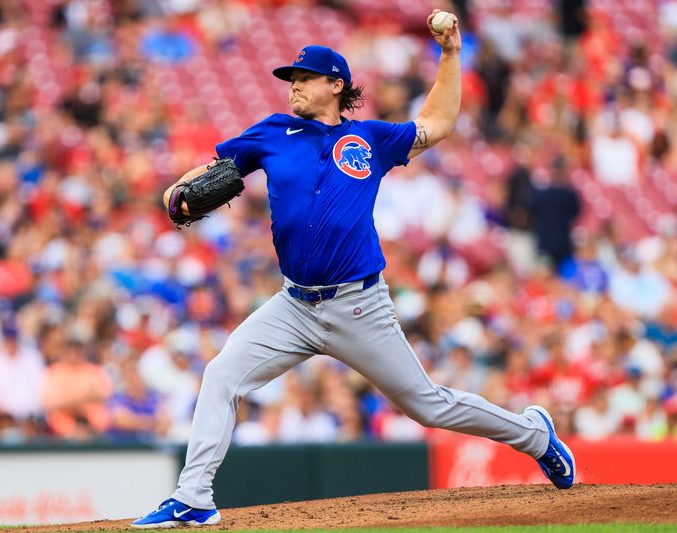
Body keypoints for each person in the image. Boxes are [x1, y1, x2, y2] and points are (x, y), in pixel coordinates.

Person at [132, 10, 575, 529]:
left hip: (359, 304)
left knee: (427, 405)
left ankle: (536, 436)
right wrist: (178, 191)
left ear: (335, 84)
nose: (293, 86)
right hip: (293, 305)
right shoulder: (273, 132)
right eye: (290, 79)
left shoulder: (370, 138)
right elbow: (215, 169)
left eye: (303, 78)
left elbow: (438, 123)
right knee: (221, 375)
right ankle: (193, 496)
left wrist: (451, 54)